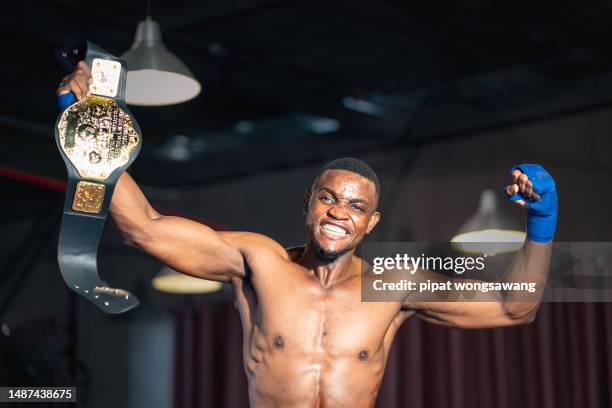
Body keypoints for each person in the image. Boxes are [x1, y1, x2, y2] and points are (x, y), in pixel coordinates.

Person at [57, 62, 557, 408]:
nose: (340, 212)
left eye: (357, 206)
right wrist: (82, 125)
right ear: (308, 203)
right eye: (329, 198)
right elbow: (143, 227)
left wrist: (541, 220)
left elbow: (516, 307)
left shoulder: (392, 285)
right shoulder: (258, 261)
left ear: (372, 223)